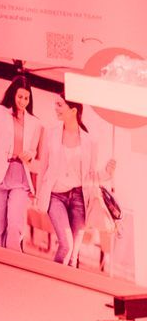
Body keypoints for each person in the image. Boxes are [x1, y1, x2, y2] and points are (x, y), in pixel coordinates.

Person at [40, 97, 115, 266]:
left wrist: (107, 172)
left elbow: (90, 176)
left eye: (60, 105)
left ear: (73, 110)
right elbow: (43, 167)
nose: (56, 108)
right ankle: (52, 277)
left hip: (79, 198)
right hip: (56, 196)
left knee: (73, 254)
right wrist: (39, 196)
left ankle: (62, 283)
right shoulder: (51, 133)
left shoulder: (90, 141)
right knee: (66, 245)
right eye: (55, 103)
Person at [0, 77, 43, 251]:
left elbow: (33, 151)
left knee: (15, 221)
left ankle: (12, 255)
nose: (23, 102)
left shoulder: (35, 123)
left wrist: (30, 155)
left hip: (20, 175)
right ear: (13, 94)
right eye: (20, 97)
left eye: (26, 98)